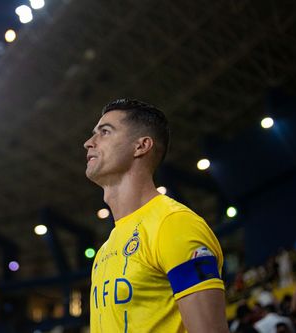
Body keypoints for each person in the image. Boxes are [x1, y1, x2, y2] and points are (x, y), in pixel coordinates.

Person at [84, 98, 229, 332]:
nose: (88, 143)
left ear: (141, 146)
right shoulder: (104, 251)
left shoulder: (174, 224)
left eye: (105, 132)